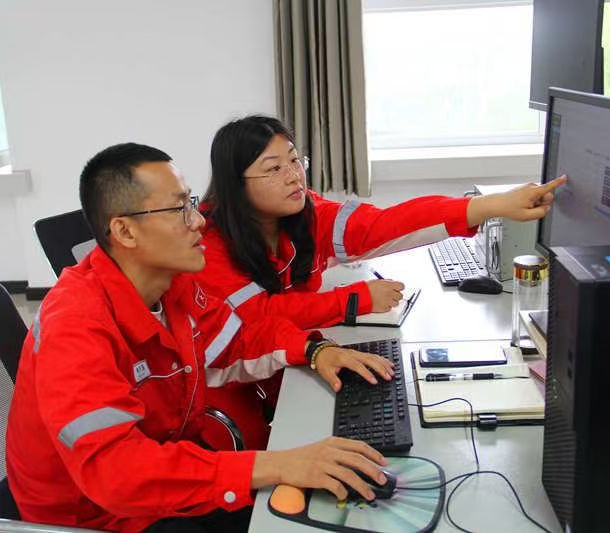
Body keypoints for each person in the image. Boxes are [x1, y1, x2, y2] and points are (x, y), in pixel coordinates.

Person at [6, 143, 397, 533]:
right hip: (102, 517)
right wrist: (277, 464)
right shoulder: (75, 325)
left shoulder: (171, 285)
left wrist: (315, 350)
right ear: (124, 231)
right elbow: (117, 473)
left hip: (166, 472)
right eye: (179, 209)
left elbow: (236, 339)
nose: (198, 222)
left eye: (190, 203)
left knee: (323, 507)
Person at [197, 115, 566, 447]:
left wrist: (490, 206)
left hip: (287, 367)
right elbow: (257, 319)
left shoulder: (304, 213)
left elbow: (383, 224)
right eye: (273, 168)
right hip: (231, 391)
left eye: (295, 160)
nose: (293, 175)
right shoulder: (208, 246)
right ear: (236, 184)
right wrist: (354, 299)